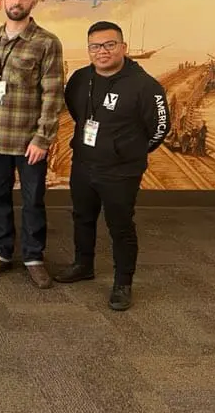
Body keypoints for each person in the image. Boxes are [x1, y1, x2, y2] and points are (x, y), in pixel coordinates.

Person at [55, 21, 170, 311]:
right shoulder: (80, 79)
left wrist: (129, 153)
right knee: (82, 217)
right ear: (89, 49)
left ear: (123, 47)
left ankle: (123, 283)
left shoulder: (145, 85)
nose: (102, 51)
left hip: (121, 171)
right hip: (84, 163)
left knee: (120, 226)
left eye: (109, 45)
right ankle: (83, 264)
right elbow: (75, 110)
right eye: (95, 46)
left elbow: (160, 127)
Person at [0, 0, 64, 289]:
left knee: (32, 201)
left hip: (30, 142)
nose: (17, 2)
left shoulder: (47, 42)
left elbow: (53, 95)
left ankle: (33, 257)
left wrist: (43, 139)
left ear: (34, 2)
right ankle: (1, 253)